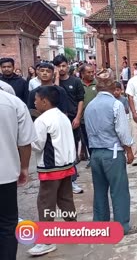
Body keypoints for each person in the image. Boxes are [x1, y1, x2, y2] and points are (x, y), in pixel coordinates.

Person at [84, 70, 137, 235]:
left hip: (95, 153)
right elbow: (122, 132)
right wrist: (129, 150)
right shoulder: (115, 105)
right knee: (119, 190)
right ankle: (122, 225)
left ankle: (100, 225)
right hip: (112, 153)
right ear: (112, 85)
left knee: (100, 190)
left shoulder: (90, 106)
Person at [28, 86, 77, 256]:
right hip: (66, 164)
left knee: (45, 203)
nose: (34, 102)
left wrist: (25, 139)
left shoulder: (42, 120)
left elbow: (37, 145)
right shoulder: (62, 116)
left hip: (51, 167)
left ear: (45, 101)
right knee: (65, 199)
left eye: (36, 99)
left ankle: (46, 240)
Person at [0, 90, 37, 260]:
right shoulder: (13, 102)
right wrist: (24, 168)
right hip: (5, 174)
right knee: (7, 224)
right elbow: (25, 142)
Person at [53, 54, 85, 194]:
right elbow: (55, 95)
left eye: (63, 65)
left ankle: (72, 180)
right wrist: (57, 78)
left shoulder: (76, 81)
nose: (62, 69)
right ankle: (61, 181)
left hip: (72, 120)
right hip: (57, 121)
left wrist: (78, 117)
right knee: (59, 151)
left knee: (71, 150)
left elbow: (80, 100)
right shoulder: (53, 83)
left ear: (68, 66)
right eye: (59, 66)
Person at [80, 64, 97, 166]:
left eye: (92, 72)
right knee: (87, 139)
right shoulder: (79, 85)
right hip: (83, 119)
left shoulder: (97, 84)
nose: (91, 74)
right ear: (82, 74)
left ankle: (96, 159)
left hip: (96, 118)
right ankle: (92, 158)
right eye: (88, 72)